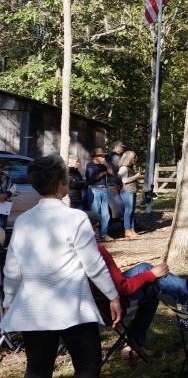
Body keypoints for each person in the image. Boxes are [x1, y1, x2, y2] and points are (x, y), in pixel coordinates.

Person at [1, 154, 122, 378]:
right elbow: (93, 265)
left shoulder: (23, 221)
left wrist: (9, 300)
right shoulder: (75, 218)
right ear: (62, 183)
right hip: (74, 307)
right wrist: (113, 296)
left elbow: (12, 269)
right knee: (87, 367)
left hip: (35, 308)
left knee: (38, 369)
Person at [88, 211, 188, 358]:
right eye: (96, 227)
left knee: (144, 267)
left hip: (91, 303)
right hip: (108, 306)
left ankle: (132, 345)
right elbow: (121, 288)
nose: (97, 231)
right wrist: (152, 275)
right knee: (153, 284)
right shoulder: (97, 251)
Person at [86, 148, 114, 242]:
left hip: (104, 189)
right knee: (95, 213)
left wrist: (106, 165)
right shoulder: (90, 165)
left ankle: (104, 234)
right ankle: (95, 235)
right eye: (100, 156)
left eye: (103, 156)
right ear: (95, 157)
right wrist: (102, 174)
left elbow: (111, 173)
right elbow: (90, 179)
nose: (103, 157)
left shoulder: (104, 165)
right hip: (94, 189)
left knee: (106, 214)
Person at [118, 151, 142, 239]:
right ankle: (127, 230)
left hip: (132, 191)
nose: (135, 160)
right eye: (133, 158)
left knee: (132, 211)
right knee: (128, 211)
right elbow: (124, 181)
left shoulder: (130, 168)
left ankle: (132, 229)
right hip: (126, 191)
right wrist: (136, 176)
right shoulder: (123, 168)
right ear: (129, 158)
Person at [0, 159, 17, 231]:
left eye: (1, 166)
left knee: (2, 229)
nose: (0, 168)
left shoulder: (7, 178)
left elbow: (13, 186)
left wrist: (7, 194)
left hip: (3, 209)